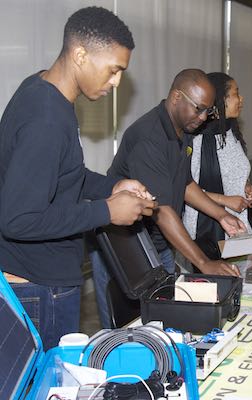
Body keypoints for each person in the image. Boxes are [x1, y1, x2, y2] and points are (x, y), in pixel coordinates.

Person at [0, 6, 156, 350]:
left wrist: (112, 186)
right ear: (81, 55)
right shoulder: (47, 120)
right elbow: (18, 219)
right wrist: (107, 211)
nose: (116, 82)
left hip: (38, 281)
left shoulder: (42, 90)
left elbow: (62, 175)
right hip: (39, 288)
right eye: (114, 70)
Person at [108, 68, 246, 275]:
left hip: (159, 243)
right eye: (198, 109)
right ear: (176, 97)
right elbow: (161, 211)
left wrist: (221, 215)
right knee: (137, 307)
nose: (202, 118)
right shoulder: (149, 139)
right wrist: (204, 262)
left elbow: (185, 183)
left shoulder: (184, 128)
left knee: (165, 304)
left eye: (207, 111)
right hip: (128, 247)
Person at [182, 72, 252, 260]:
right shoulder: (198, 140)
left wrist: (245, 187)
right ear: (220, 100)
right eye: (235, 93)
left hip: (236, 226)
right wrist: (226, 200)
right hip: (206, 231)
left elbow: (234, 172)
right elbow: (185, 189)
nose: (241, 99)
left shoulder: (230, 132)